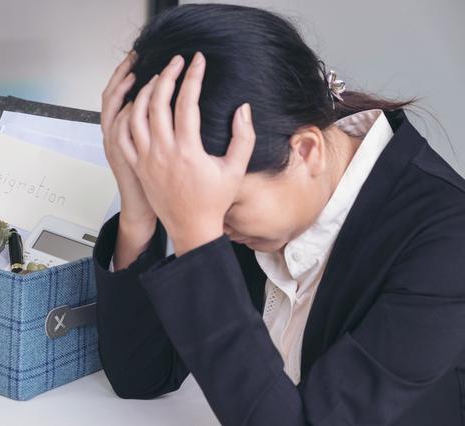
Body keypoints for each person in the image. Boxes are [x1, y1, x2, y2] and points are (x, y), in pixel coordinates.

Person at [91, 3, 465, 425]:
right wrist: (138, 209)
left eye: (224, 209)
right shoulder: (263, 191)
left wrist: (198, 239)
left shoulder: (448, 246)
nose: (215, 229)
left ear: (306, 150)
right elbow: (141, 375)